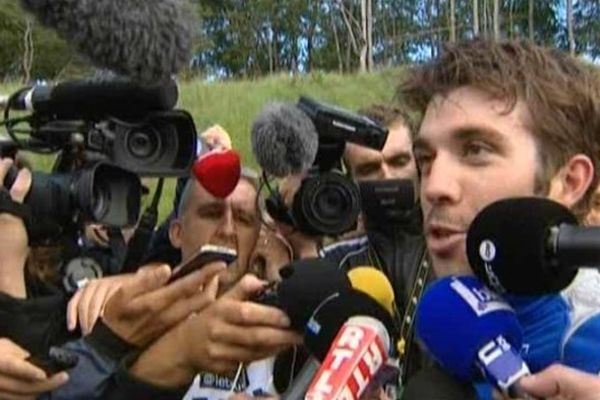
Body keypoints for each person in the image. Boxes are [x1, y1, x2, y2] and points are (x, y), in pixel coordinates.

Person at [396, 39, 600, 396]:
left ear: (569, 182)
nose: (433, 187)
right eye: (425, 159)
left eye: (476, 150)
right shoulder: (452, 320)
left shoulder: (587, 333)